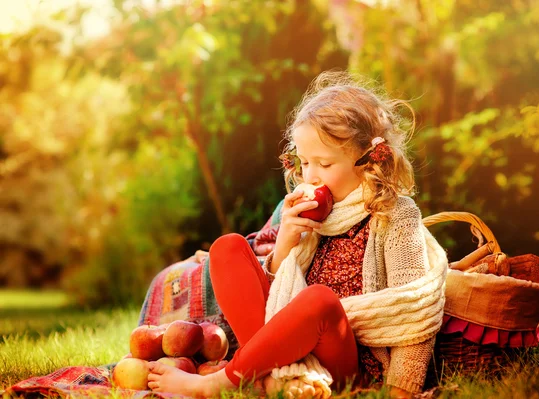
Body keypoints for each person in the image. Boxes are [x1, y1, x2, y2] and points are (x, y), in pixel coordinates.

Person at [146, 71, 447, 399]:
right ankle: (269, 378)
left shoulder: (394, 214)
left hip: (350, 362)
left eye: (324, 164)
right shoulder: (314, 213)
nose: (311, 176)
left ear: (368, 161)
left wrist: (400, 390)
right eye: (304, 163)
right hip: (291, 348)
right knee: (228, 249)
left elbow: (414, 309)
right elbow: (279, 298)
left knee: (319, 300)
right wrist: (287, 240)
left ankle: (217, 384)